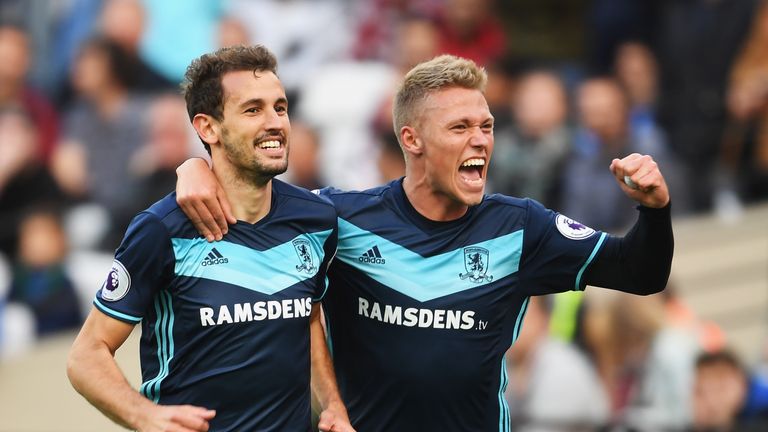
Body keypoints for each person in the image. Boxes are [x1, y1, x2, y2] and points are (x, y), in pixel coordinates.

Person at [176, 54, 674, 431]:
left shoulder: (521, 228)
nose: (480, 140)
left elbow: (641, 273)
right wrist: (196, 166)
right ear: (412, 140)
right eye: (459, 128)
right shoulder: (341, 219)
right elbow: (251, 192)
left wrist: (654, 211)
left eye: (486, 127)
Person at [67, 45, 353, 432]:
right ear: (207, 127)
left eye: (280, 108)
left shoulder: (317, 218)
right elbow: (86, 355)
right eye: (253, 110)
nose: (275, 122)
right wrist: (145, 416)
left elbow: (310, 315)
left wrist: (332, 404)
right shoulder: (162, 229)